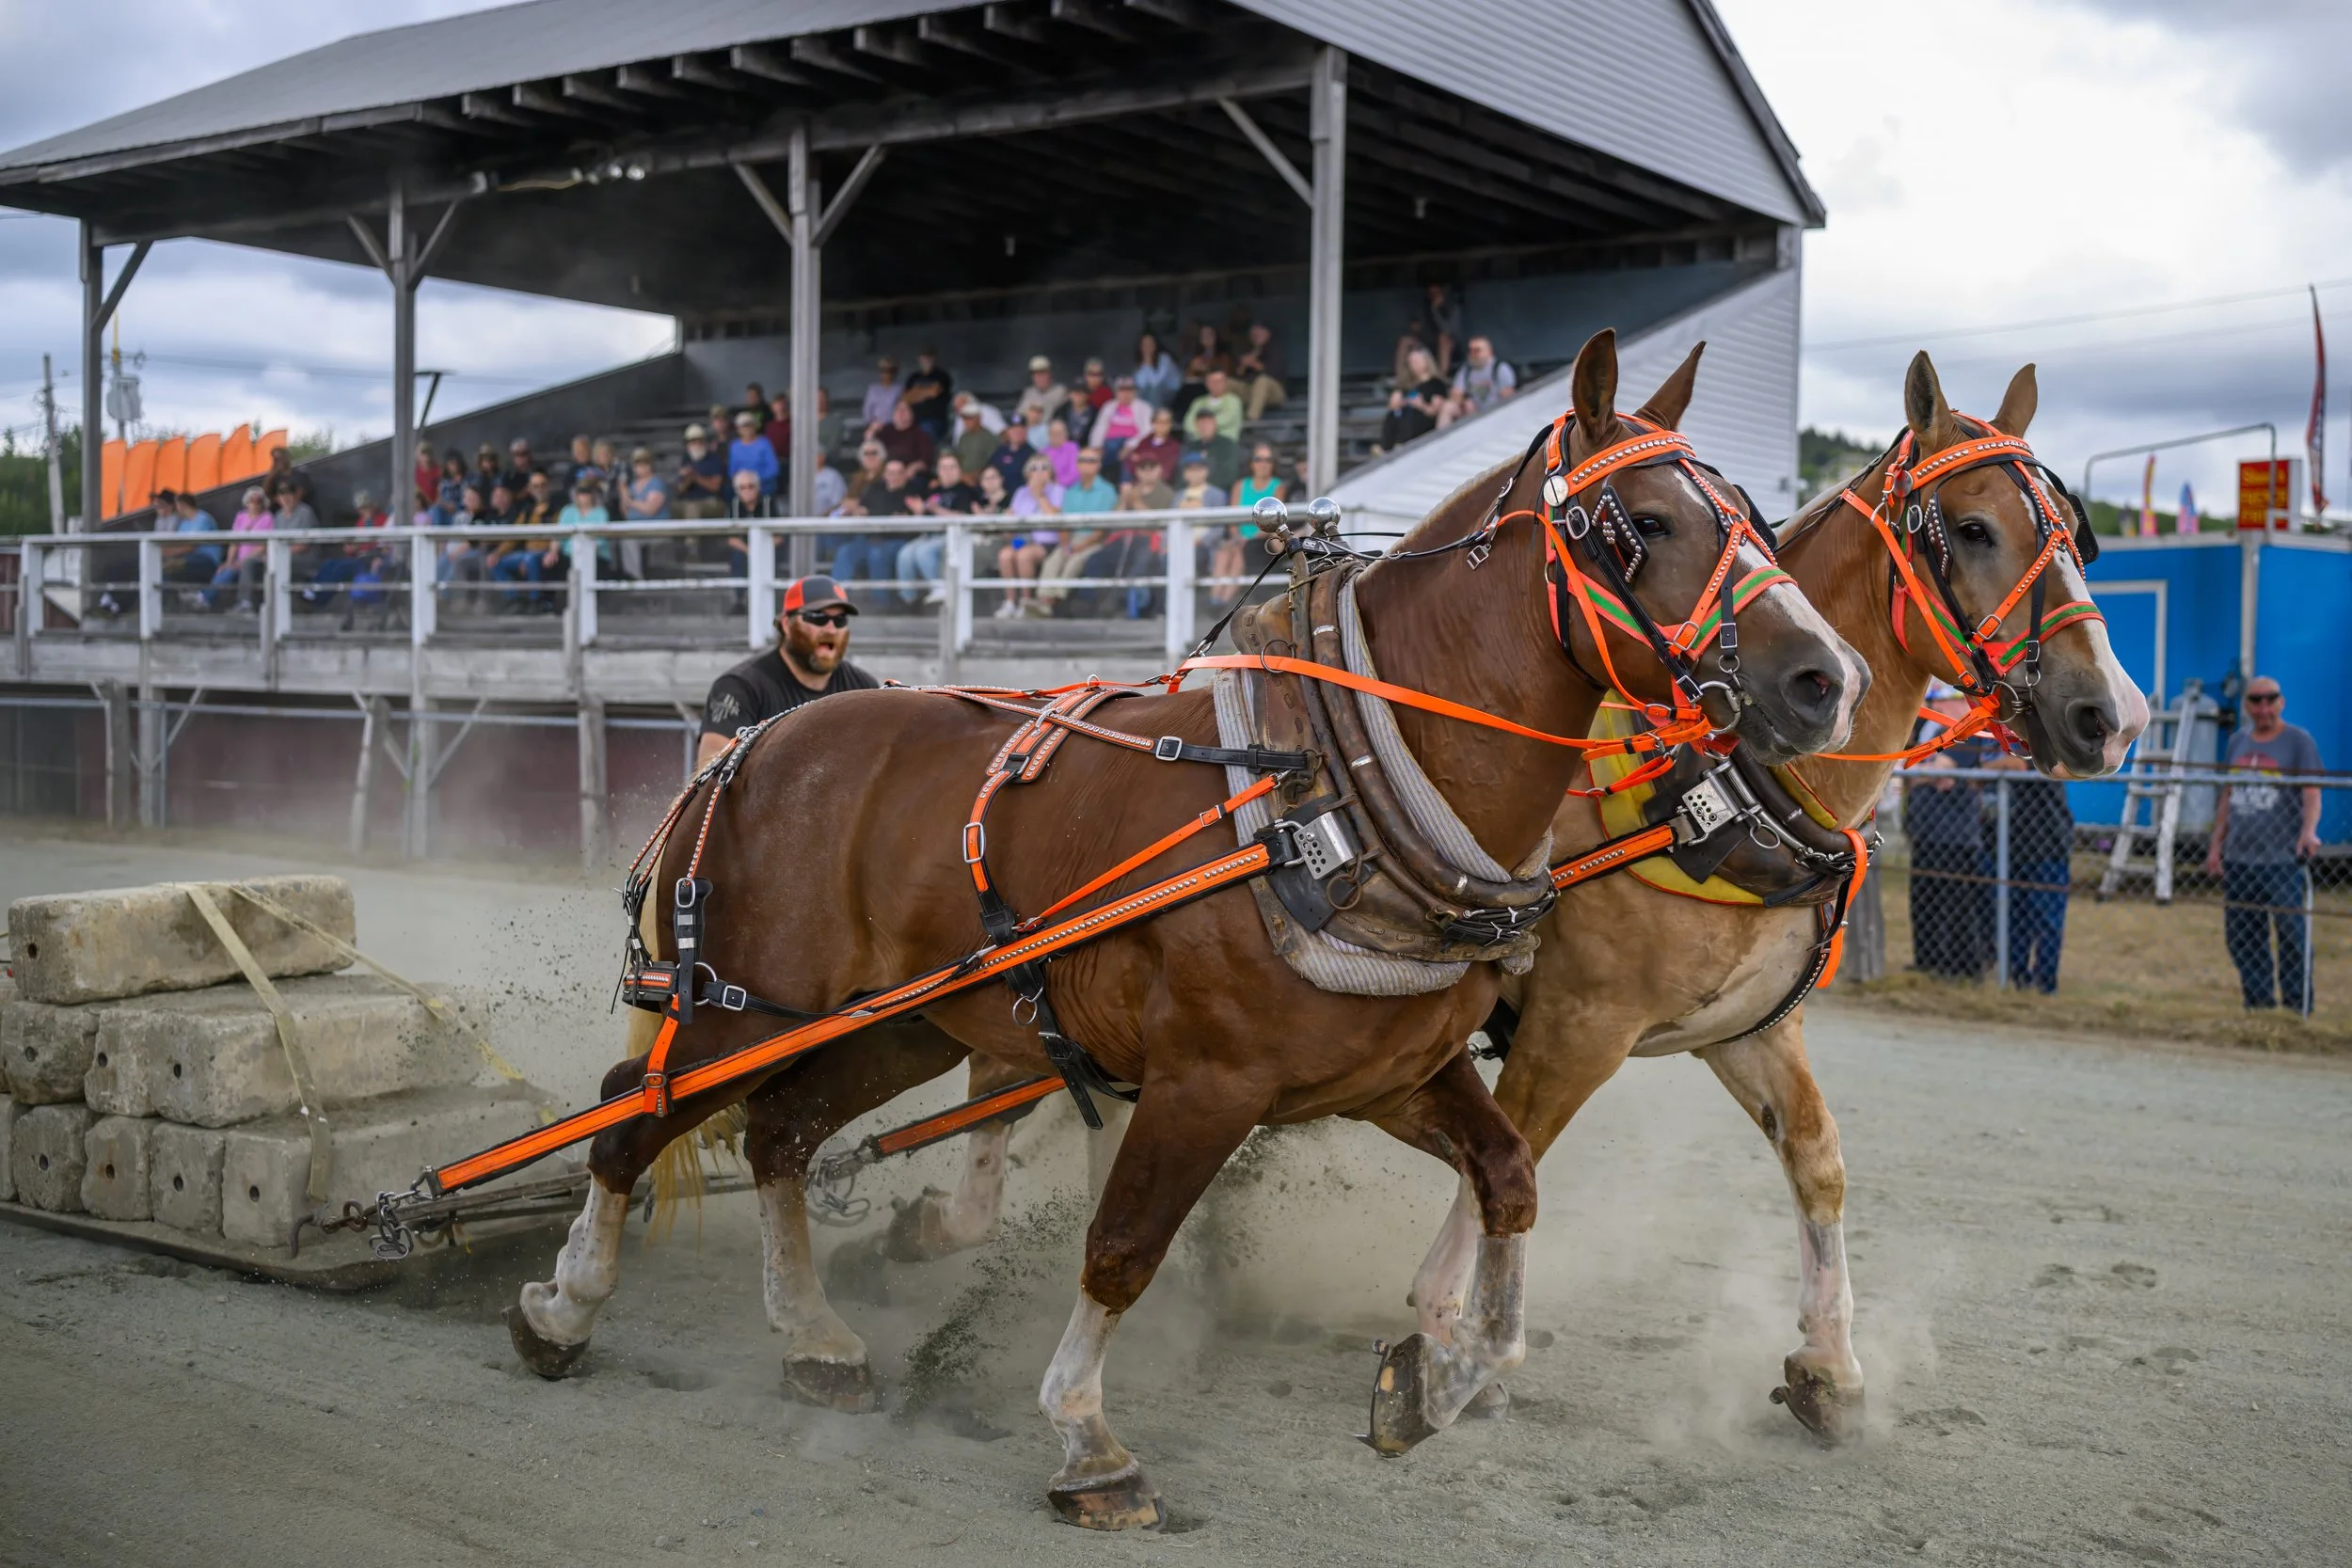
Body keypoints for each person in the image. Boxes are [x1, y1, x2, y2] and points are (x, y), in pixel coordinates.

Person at [2202, 675, 2323, 1012]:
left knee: (2291, 937)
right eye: (2256, 700)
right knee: (2242, 937)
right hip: (2240, 859)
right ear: (2247, 706)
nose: (2264, 707)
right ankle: (2259, 1003)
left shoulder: (2299, 742)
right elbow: (2227, 796)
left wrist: (2308, 832)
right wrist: (2216, 846)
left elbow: (2312, 793)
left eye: (2271, 699)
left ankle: (2297, 1007)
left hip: (2282, 860)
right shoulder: (2238, 742)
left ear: (2281, 702)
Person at [695, 575, 880, 768]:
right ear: (786, 624)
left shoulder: (863, 689)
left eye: (840, 620)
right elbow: (711, 773)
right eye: (818, 617)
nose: (831, 629)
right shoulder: (739, 688)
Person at [1902, 696, 1991, 978]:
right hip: (1926, 829)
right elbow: (1912, 766)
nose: (1938, 708)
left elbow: (1945, 770)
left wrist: (1920, 771)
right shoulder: (1925, 729)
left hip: (1955, 834)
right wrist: (1923, 771)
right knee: (1924, 898)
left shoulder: (1968, 729)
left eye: (1943, 703)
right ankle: (1928, 959)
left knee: (1956, 902)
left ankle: (1963, 966)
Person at [1984, 749, 2074, 993]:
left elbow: (2017, 766)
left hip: (2047, 847)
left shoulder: (2043, 743)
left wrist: (1981, 771)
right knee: (2015, 920)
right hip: (2013, 848)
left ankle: (2045, 983)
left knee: (2047, 922)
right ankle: (2018, 978)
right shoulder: (2001, 742)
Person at [1037, 447, 1120, 611]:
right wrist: (1067, 544)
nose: (1086, 464)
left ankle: (1055, 601)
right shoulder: (1072, 491)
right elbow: (1065, 523)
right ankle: (1043, 600)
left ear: (1098, 465)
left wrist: (1079, 546)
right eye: (1082, 460)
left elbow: (1101, 529)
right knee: (1054, 560)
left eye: (1091, 461)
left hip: (1094, 540)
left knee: (1075, 561)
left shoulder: (1107, 491)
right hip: (1070, 538)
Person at [897, 452, 977, 607]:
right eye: (944, 468)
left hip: (953, 536)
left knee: (924, 552)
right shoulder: (933, 491)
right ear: (938, 471)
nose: (948, 471)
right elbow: (926, 515)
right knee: (904, 554)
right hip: (930, 534)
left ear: (959, 470)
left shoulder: (966, 491)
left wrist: (938, 510)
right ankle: (908, 600)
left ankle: (940, 587)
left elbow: (965, 516)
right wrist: (919, 512)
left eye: (952, 467)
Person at [834, 458, 914, 603]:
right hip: (869, 539)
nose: (894, 477)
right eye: (891, 473)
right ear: (885, 474)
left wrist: (872, 513)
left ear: (905, 475)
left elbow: (907, 518)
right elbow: (861, 510)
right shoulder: (875, 489)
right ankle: (837, 599)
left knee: (876, 555)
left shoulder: (911, 492)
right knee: (845, 552)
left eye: (898, 473)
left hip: (897, 540)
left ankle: (880, 604)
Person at [997, 454, 1063, 617]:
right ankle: (1010, 602)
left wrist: (1039, 495)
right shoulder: (1020, 493)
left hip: (1047, 541)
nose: (1039, 472)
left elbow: (1053, 519)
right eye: (1034, 468)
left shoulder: (1058, 490)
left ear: (1050, 473)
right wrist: (1008, 519)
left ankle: (1026, 602)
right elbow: (1011, 528)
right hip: (1022, 540)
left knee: (1023, 556)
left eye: (1044, 468)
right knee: (1005, 555)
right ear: (1027, 474)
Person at [211, 484, 275, 610]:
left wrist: (241, 562)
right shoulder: (240, 517)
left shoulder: (268, 518)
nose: (255, 504)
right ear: (247, 502)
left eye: (259, 501)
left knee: (245, 566)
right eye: (252, 500)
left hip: (257, 559)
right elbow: (235, 542)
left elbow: (263, 546)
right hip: (239, 560)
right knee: (224, 570)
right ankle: (205, 599)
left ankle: (244, 603)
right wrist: (229, 562)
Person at [1379, 347, 1451, 451]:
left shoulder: (1436, 384)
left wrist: (1421, 405)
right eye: (1411, 362)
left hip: (1424, 419)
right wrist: (1399, 402)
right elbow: (1392, 406)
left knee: (1412, 414)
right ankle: (1387, 448)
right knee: (1393, 416)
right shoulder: (1406, 386)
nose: (1413, 365)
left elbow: (1435, 411)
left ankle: (1401, 445)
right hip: (1404, 419)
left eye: (1417, 361)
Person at [1088, 375, 1152, 469]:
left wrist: (1129, 446)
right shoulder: (1109, 406)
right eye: (1122, 390)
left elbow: (1147, 431)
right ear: (1116, 392)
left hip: (1133, 443)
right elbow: (1099, 427)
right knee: (1107, 449)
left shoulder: (1145, 408)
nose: (1126, 393)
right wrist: (1096, 446)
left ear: (1135, 391)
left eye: (1129, 390)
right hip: (1109, 444)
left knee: (1129, 457)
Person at [1447, 336, 1517, 423]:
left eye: (1477, 350)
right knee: (1449, 406)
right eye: (1470, 350)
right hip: (1473, 415)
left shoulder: (1500, 368)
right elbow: (1455, 395)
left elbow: (1509, 398)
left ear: (1489, 352)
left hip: (1497, 414)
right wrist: (1464, 402)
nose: (1473, 354)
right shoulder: (1466, 370)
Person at [1233, 324, 1287, 424]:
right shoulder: (1251, 349)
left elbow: (1272, 372)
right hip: (1252, 390)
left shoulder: (1275, 348)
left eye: (1258, 334)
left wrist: (1253, 363)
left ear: (1268, 334)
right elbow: (1239, 376)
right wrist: (1243, 366)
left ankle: (1251, 419)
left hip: (1274, 393)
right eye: (1253, 335)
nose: (1255, 337)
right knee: (1227, 383)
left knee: (1262, 380)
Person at [1181, 406, 1243, 493]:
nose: (1204, 426)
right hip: (1191, 491)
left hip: (1219, 491)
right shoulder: (1191, 447)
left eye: (1208, 422)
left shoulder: (1227, 445)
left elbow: (1230, 474)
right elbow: (1181, 474)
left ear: (1215, 424)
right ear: (1196, 425)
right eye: (1201, 423)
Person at [1121, 404, 1183, 490]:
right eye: (1159, 422)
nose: (1162, 425)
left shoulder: (1175, 447)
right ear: (1152, 423)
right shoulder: (1144, 442)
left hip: (1160, 488)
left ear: (1171, 425)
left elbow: (1167, 472)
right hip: (1139, 485)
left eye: (1166, 422)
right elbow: (1132, 463)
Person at [673, 424, 725, 517]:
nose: (696, 445)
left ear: (704, 442)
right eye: (693, 442)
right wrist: (687, 480)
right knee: (673, 507)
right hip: (688, 500)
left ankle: (693, 532)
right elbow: (679, 490)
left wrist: (696, 478)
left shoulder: (714, 459)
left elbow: (715, 486)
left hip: (711, 500)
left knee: (692, 508)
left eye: (699, 441)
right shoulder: (686, 460)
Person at [875, 398, 936, 475]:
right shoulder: (884, 431)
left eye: (904, 410)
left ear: (912, 414)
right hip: (885, 473)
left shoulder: (921, 435)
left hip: (909, 474)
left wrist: (909, 471)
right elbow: (872, 451)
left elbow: (925, 461)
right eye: (898, 409)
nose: (901, 413)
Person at [903, 348, 952, 438]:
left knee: (926, 428)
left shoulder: (941, 375)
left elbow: (934, 392)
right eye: (924, 356)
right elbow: (906, 398)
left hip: (934, 420)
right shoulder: (913, 377)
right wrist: (926, 392)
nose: (926, 359)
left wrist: (916, 392)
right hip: (913, 419)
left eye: (929, 356)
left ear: (935, 358)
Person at [1185, 367, 1244, 443]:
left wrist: (1202, 427)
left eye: (1219, 381)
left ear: (1226, 382)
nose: (1216, 384)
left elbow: (1225, 419)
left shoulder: (1234, 401)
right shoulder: (1198, 402)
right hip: (1200, 445)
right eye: (1212, 381)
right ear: (1206, 384)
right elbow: (1188, 422)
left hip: (1225, 446)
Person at [729, 410, 780, 498]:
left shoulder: (764, 443)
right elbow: (732, 470)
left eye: (749, 425)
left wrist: (754, 480)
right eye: (743, 426)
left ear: (755, 426)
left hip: (763, 483)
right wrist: (743, 480)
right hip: (742, 483)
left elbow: (773, 468)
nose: (747, 429)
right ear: (738, 429)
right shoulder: (734, 446)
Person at [1013, 355, 1068, 433]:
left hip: (1050, 433)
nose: (1039, 377)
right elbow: (1016, 415)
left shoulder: (1060, 391)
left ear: (1050, 374)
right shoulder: (1029, 392)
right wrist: (1017, 423)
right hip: (1029, 433)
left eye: (1042, 373)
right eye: (1035, 374)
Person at [989, 420, 1043, 495]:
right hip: (998, 495)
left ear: (1026, 432)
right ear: (1008, 432)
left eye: (1020, 430)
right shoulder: (1000, 451)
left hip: (1021, 496)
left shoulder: (1032, 455)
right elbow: (989, 470)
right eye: (1013, 430)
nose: (1017, 433)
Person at [952, 395, 1001, 478]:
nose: (966, 422)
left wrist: (974, 475)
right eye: (964, 418)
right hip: (962, 476)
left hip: (982, 478)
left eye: (970, 418)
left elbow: (992, 463)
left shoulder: (989, 437)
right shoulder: (963, 437)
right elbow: (959, 458)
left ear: (978, 418)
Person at [1132, 330, 1180, 410]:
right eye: (1145, 344)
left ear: (1155, 345)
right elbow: (1141, 385)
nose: (1148, 347)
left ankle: (1156, 415)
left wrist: (1148, 362)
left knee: (1153, 390)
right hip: (1148, 395)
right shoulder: (1138, 364)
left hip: (1168, 393)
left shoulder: (1164, 359)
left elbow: (1156, 382)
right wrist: (1145, 364)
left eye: (1150, 344)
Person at [1424, 282, 1464, 373]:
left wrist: (1435, 310)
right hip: (1430, 343)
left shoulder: (1453, 307)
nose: (1434, 296)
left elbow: (1448, 330)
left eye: (1436, 293)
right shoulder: (1426, 307)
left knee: (1443, 338)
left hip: (1453, 345)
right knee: (1405, 341)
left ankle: (1441, 378)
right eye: (1431, 294)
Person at [861, 358, 902, 436]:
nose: (887, 374)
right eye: (883, 370)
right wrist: (870, 426)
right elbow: (868, 409)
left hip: (895, 427)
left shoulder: (899, 389)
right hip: (876, 427)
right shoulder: (873, 389)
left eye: (891, 370)